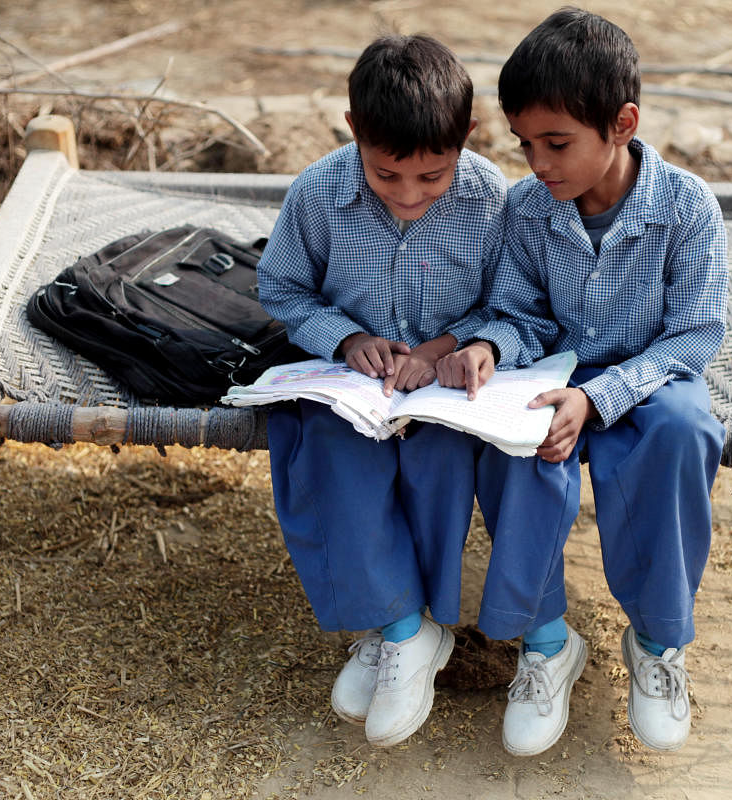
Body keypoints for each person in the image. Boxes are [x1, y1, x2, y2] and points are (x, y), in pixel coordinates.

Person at [440, 7, 728, 753]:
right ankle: (545, 643)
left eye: (557, 143)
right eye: (525, 144)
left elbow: (694, 336)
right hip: (553, 372)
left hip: (649, 378)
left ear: (623, 123)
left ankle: (659, 644)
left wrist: (599, 397)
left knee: (684, 432)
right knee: (517, 450)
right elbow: (517, 312)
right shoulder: (528, 211)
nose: (537, 163)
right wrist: (490, 348)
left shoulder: (687, 208)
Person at [255, 34, 515, 748]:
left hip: (447, 387)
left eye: (432, 177)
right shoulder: (317, 192)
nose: (409, 195)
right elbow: (280, 288)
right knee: (329, 456)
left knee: (437, 463)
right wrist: (345, 339)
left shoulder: (493, 198)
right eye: (386, 174)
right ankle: (401, 629)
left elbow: (511, 303)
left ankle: (415, 618)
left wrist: (443, 351)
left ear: (466, 136)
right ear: (354, 132)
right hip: (353, 385)